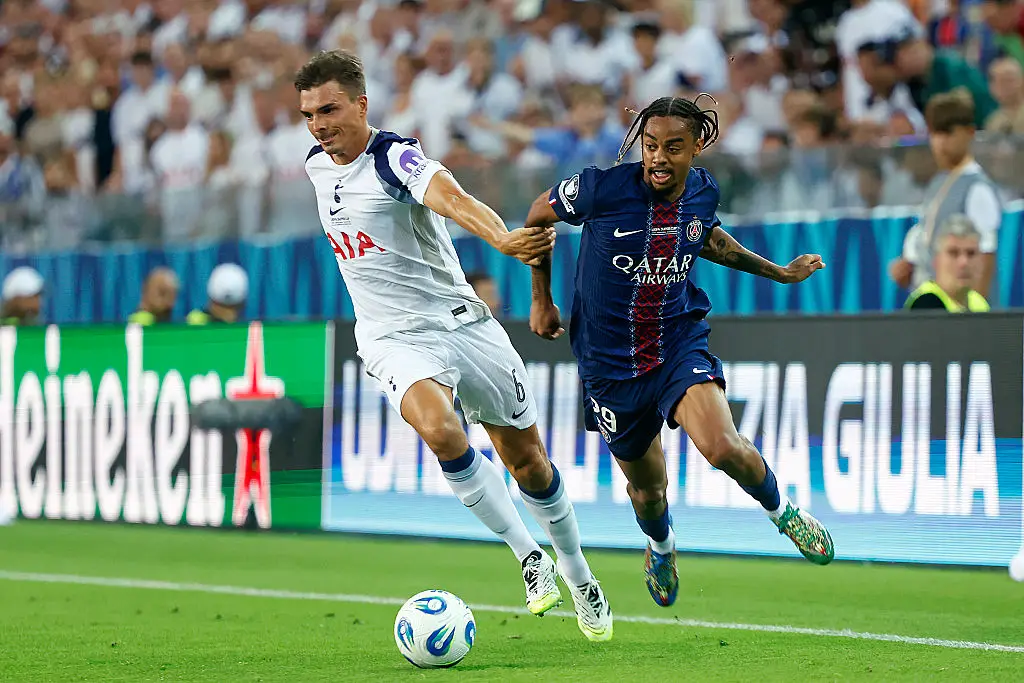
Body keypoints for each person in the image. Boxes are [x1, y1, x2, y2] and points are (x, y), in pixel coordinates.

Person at [294, 50, 612, 641]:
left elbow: (452, 197)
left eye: (330, 110)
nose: (318, 124)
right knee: (441, 431)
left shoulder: (394, 158)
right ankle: (527, 557)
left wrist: (501, 239)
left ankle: (579, 573)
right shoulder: (316, 163)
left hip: (464, 322)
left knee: (529, 463)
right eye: (308, 114)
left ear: (361, 105)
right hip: (392, 337)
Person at [526, 95, 835, 609]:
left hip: (674, 342)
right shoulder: (600, 188)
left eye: (673, 147)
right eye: (650, 146)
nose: (659, 158)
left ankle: (785, 514)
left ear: (698, 147)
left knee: (722, 447)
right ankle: (661, 547)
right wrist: (542, 299)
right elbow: (537, 216)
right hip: (609, 367)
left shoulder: (703, 192)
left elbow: (706, 240)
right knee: (648, 490)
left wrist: (778, 272)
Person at [889, 91, 1001, 300]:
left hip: (959, 317)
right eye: (934, 133)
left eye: (948, 133)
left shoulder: (978, 189)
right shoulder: (938, 182)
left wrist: (978, 321)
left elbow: (985, 260)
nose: (939, 142)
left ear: (969, 132)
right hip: (932, 307)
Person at [904, 214, 990, 312]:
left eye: (971, 253)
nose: (963, 262)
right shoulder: (925, 304)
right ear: (936, 260)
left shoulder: (978, 302)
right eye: (953, 253)